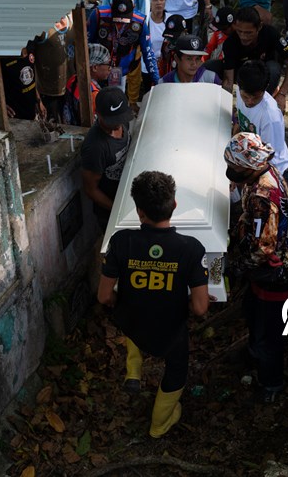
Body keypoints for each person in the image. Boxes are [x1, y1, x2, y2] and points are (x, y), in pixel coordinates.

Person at [97, 171, 210, 438]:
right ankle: (158, 425)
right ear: (174, 205)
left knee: (132, 318)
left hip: (133, 321)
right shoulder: (191, 248)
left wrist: (120, 300)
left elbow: (103, 296)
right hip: (169, 329)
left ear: (139, 212)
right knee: (177, 367)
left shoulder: (121, 241)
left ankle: (133, 371)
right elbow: (200, 308)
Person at [223, 132, 288, 404]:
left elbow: (263, 248)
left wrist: (235, 266)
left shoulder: (262, 195)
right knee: (253, 312)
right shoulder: (266, 172)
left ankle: (272, 382)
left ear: (248, 167)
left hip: (278, 273)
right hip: (280, 260)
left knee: (267, 330)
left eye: (234, 168)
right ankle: (255, 353)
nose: (230, 172)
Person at [218, 7, 288, 112]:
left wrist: (282, 94)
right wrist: (226, 109)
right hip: (241, 73)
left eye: (248, 33)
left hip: (264, 74)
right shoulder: (230, 42)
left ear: (259, 27)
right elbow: (228, 81)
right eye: (239, 31)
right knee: (211, 67)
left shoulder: (270, 33)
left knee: (274, 68)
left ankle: (265, 101)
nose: (243, 36)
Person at [88, 0, 160, 104]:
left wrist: (156, 81)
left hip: (119, 70)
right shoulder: (98, 15)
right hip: (96, 70)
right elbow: (87, 43)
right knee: (93, 100)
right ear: (111, 6)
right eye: (118, 17)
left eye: (125, 19)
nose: (121, 23)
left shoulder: (140, 23)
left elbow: (148, 53)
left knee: (114, 101)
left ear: (134, 7)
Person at [81, 86, 133, 230]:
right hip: (110, 213)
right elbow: (91, 189)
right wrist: (117, 210)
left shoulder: (123, 123)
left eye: (120, 118)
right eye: (112, 120)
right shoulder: (95, 147)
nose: (117, 124)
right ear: (98, 114)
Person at [234, 60, 288, 182]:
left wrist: (242, 181)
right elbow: (240, 121)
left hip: (274, 174)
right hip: (253, 165)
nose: (249, 101)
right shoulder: (241, 90)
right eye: (245, 96)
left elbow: (268, 156)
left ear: (265, 88)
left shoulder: (270, 116)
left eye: (255, 97)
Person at [0, 49, 45, 120]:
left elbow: (30, 78)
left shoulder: (30, 44)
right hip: (12, 119)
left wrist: (38, 100)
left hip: (32, 115)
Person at [62, 44, 111, 126]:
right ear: (95, 67)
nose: (110, 68)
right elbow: (94, 124)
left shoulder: (73, 79)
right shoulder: (94, 94)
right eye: (108, 64)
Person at [147, 0, 167, 64]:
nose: (159, 2)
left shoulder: (171, 20)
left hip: (166, 66)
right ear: (150, 2)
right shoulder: (144, 20)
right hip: (147, 65)